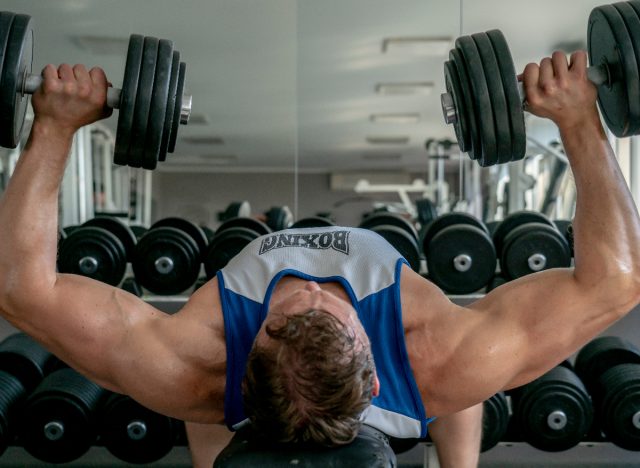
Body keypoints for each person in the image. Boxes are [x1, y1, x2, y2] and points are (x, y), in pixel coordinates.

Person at [0, 49, 639, 468]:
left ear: (247, 357)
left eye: (287, 321)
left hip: (214, 386)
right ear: (380, 372)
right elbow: (616, 280)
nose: (313, 292)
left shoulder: (198, 360)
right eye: (328, 317)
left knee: (190, 397)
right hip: (435, 370)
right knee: (468, 372)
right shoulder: (431, 355)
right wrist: (579, 119)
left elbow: (19, 289)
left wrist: (54, 126)